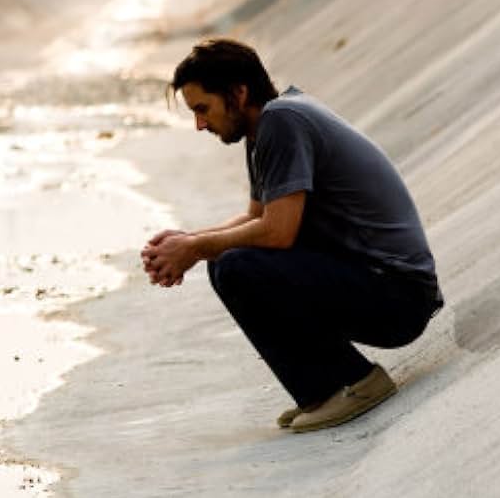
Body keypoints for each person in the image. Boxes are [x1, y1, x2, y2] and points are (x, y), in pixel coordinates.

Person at [141, 38, 444, 433]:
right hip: (374, 283)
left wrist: (195, 246)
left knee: (237, 265)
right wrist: (186, 243)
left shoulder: (283, 123)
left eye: (203, 109)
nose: (200, 124)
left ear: (238, 93)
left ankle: (357, 382)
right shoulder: (264, 129)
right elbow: (256, 218)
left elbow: (278, 232)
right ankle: (321, 392)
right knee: (225, 261)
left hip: (398, 294)